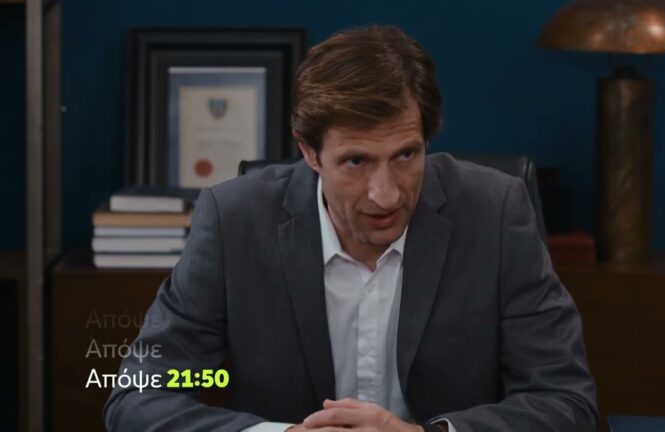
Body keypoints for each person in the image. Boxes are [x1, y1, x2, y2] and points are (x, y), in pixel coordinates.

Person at [104, 25, 597, 432]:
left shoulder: (494, 213)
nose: (386, 194)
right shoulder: (234, 223)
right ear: (309, 152)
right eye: (356, 161)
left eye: (406, 155)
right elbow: (140, 394)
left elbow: (564, 400)